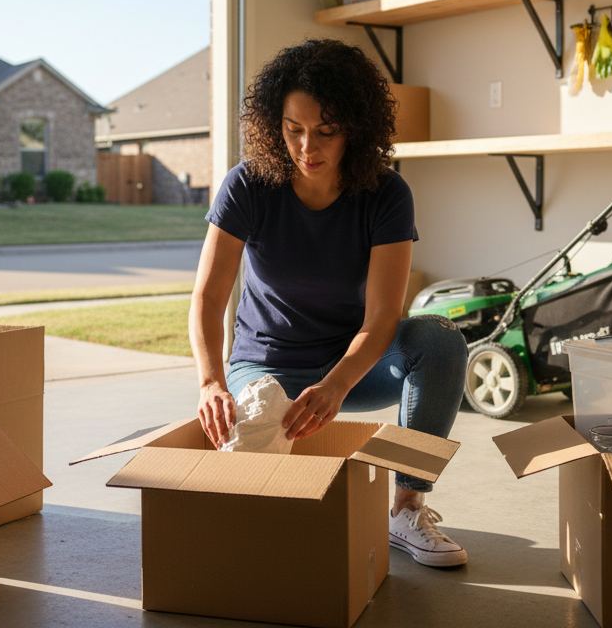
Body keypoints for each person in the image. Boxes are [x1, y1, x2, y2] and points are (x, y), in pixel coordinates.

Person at [188, 38, 469, 568]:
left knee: (439, 338)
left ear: (355, 130)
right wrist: (209, 381)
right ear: (276, 125)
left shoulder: (387, 194)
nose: (306, 146)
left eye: (325, 131)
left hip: (353, 366)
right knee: (258, 490)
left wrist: (337, 383)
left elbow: (385, 314)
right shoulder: (247, 185)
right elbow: (208, 296)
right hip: (266, 363)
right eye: (293, 129)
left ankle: (406, 507)